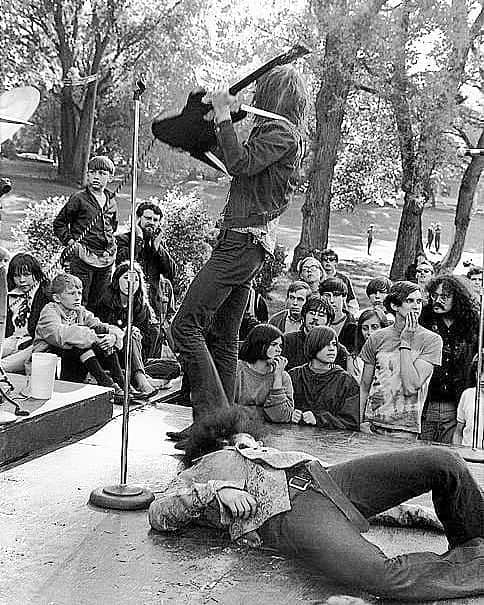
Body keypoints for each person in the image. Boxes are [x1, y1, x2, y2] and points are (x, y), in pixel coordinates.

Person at [150, 407, 484, 602]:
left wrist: (408, 512)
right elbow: (160, 512)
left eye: (244, 438)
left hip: (328, 479)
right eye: (231, 439)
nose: (243, 443)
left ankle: (476, 541)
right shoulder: (200, 468)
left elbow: (369, 493)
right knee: (383, 576)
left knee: (443, 461)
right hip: (286, 515)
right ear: (214, 441)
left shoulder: (260, 448)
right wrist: (217, 490)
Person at [168, 65, 307, 443]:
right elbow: (237, 165)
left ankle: (212, 423)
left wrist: (225, 116)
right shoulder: (277, 132)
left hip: (241, 244)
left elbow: (239, 163)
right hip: (247, 244)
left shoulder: (281, 133)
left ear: (273, 95)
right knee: (225, 338)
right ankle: (215, 424)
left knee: (184, 326)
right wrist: (211, 127)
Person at [360, 281, 442, 438]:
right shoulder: (377, 337)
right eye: (410, 301)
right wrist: (359, 422)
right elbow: (364, 385)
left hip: (404, 429)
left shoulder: (432, 340)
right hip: (372, 426)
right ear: (395, 305)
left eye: (419, 301)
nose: (416, 306)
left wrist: (405, 342)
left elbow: (411, 386)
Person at [33, 273, 125, 400]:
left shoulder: (79, 311)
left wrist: (112, 337)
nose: (77, 298)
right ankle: (106, 384)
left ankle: (122, 383)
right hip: (47, 366)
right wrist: (93, 337)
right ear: (57, 297)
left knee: (104, 340)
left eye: (79, 293)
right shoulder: (49, 311)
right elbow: (60, 335)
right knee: (78, 342)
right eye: (72, 294)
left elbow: (100, 325)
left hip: (74, 362)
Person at [53, 156, 118, 311]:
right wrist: (70, 242)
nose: (96, 177)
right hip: (82, 257)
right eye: (92, 172)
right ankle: (77, 332)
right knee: (79, 299)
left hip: (105, 259)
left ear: (110, 177)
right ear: (87, 175)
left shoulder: (111, 200)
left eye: (102, 173)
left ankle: (95, 332)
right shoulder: (79, 199)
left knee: (100, 300)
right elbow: (59, 223)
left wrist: (110, 245)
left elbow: (112, 226)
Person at [420, 275, 479, 443]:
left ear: (458, 298)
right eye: (434, 295)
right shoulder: (424, 319)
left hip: (456, 404)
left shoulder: (472, 324)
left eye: (444, 297)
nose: (437, 300)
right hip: (426, 403)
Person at [95, 261, 160, 397]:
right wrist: (124, 333)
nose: (131, 283)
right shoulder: (105, 303)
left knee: (174, 368)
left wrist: (137, 334)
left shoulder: (142, 307)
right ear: (116, 280)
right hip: (112, 357)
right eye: (126, 278)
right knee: (130, 333)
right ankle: (142, 381)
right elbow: (100, 332)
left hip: (135, 359)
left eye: (136, 279)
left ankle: (137, 377)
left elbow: (147, 344)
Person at [116, 201, 176, 328]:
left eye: (155, 220)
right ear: (138, 219)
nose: (152, 223)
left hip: (153, 305)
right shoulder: (122, 240)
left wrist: (157, 248)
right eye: (148, 218)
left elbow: (171, 273)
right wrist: (138, 240)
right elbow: (122, 262)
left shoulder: (157, 246)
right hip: (129, 305)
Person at [289, 326, 360, 430]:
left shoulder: (346, 382)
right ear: (314, 344)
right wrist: (290, 414)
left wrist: (319, 419)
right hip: (293, 438)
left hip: (330, 443)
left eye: (334, 344)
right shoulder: (294, 376)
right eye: (326, 344)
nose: (332, 348)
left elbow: (351, 421)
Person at [235, 324, 294, 423]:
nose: (279, 350)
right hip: (236, 426)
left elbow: (282, 416)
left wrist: (277, 377)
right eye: (274, 345)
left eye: (280, 346)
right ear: (260, 345)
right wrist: (264, 413)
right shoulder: (237, 370)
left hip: (272, 432)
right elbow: (226, 407)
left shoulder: (283, 376)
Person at [2, 253, 50, 373]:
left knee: (2, 367)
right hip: (12, 340)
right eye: (17, 276)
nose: (22, 280)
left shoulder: (45, 293)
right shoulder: (9, 295)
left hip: (33, 344)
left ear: (36, 273)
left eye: (27, 275)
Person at [282, 295, 348, 371]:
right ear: (304, 316)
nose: (315, 318)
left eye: (321, 315)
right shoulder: (287, 341)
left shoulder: (337, 350)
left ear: (328, 322)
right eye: (312, 313)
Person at [347, 307, 390, 384]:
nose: (369, 332)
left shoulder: (394, 354)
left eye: (374, 327)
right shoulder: (354, 360)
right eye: (365, 328)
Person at [453, 352, 484, 447]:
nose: (482, 378)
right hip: (467, 453)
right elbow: (458, 432)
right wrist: (458, 451)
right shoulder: (467, 394)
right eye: (479, 372)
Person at [319, 277, 357, 354]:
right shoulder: (316, 319)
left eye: (336, 295)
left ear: (344, 297)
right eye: (327, 296)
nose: (331, 301)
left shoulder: (353, 327)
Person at [320, 248, 359, 317]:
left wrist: (352, 315)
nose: (328, 262)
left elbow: (351, 301)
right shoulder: (318, 278)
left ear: (336, 262)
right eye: (325, 260)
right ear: (321, 262)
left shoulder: (344, 279)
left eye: (331, 260)